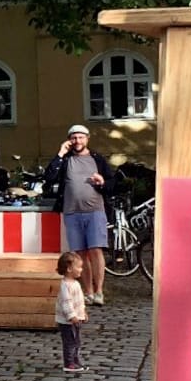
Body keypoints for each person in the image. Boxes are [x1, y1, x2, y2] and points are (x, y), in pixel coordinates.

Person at [42, 124, 121, 305]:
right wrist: (60, 154)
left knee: (96, 250)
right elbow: (49, 178)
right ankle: (88, 292)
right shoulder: (66, 160)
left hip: (95, 211)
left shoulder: (97, 159)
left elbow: (112, 184)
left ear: (87, 139)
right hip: (72, 212)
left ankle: (99, 291)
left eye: (81, 137)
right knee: (80, 254)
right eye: (74, 138)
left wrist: (102, 183)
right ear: (69, 140)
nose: (77, 141)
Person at [55, 251, 87, 371]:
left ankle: (75, 359)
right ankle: (69, 362)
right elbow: (66, 303)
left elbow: (79, 301)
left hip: (77, 319)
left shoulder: (76, 284)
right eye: (78, 267)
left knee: (77, 341)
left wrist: (83, 312)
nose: (81, 270)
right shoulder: (65, 286)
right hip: (67, 321)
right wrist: (72, 316)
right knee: (70, 342)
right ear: (69, 269)